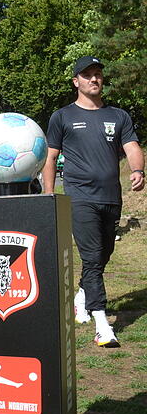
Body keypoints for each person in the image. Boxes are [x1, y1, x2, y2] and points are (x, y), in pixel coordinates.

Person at [42, 56, 144, 348]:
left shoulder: (119, 116)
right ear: (76, 82)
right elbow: (50, 157)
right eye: (87, 75)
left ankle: (82, 297)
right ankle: (102, 324)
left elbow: (132, 147)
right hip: (79, 197)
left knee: (102, 255)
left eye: (98, 74)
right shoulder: (62, 117)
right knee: (91, 256)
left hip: (111, 198)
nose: (94, 79)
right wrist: (51, 195)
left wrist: (138, 170)